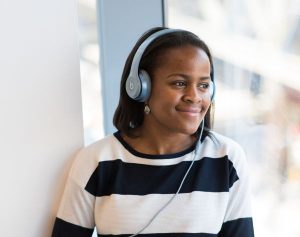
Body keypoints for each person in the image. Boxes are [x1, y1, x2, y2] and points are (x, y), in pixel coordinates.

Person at [52, 27, 255, 237]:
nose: (194, 96)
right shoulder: (97, 161)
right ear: (140, 87)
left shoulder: (227, 158)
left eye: (203, 85)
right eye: (179, 83)